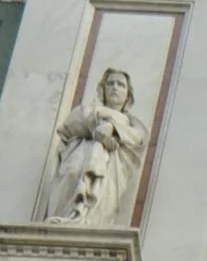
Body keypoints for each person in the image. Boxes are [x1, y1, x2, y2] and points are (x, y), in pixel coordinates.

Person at [46, 63, 147, 224]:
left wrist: (113, 128)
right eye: (110, 83)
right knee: (72, 172)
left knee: (104, 196)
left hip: (110, 167)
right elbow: (70, 124)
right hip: (82, 153)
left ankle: (89, 221)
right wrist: (94, 128)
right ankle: (68, 216)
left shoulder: (131, 122)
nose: (115, 87)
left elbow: (138, 137)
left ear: (128, 95)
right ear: (103, 89)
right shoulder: (89, 109)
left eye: (120, 84)